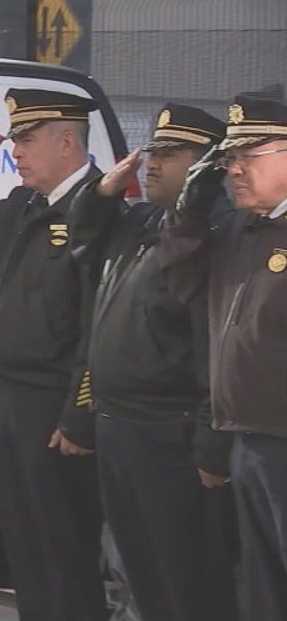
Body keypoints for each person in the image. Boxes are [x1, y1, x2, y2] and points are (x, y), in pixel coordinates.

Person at [0, 88, 107, 620]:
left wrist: (79, 413)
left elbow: (95, 325)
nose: (16, 152)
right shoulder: (20, 206)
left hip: (53, 401)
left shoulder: (99, 208)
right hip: (8, 397)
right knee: (25, 550)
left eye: (27, 140)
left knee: (63, 550)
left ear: (67, 141)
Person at [68, 103, 238, 621]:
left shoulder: (215, 235)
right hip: (119, 423)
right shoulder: (142, 221)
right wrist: (99, 194)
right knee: (140, 570)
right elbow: (82, 245)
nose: (153, 164)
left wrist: (211, 440)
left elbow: (215, 346)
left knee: (184, 576)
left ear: (207, 166)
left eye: (171, 154)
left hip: (169, 429)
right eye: (153, 152)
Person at [160, 96, 287, 620]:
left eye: (248, 156)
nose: (234, 169)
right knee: (262, 585)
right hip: (248, 436)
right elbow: (182, 283)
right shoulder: (239, 229)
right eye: (229, 159)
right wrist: (188, 213)